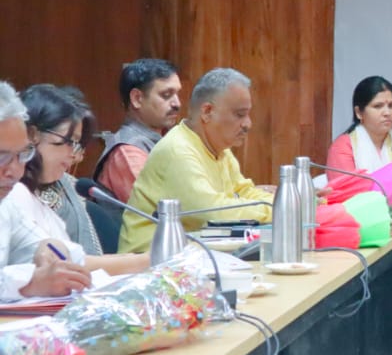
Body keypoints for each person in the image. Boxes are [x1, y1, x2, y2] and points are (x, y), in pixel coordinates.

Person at [120, 68, 273, 253]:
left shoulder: (220, 149)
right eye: (240, 115)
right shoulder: (178, 150)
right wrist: (278, 210)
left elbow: (245, 192)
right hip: (151, 262)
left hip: (194, 256)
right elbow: (212, 213)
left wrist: (283, 204)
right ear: (207, 111)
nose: (248, 124)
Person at [8, 85, 148, 276]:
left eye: (77, 145)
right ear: (32, 135)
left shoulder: (52, 189)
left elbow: (65, 255)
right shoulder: (13, 192)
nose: (74, 155)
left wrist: (145, 259)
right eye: (67, 142)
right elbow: (67, 264)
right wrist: (148, 260)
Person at [0, 81, 93, 299]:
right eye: (2, 157)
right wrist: (29, 284)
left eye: (22, 155)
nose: (15, 171)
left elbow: (40, 244)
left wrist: (49, 247)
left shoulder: (5, 202)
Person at [93, 59, 181, 202]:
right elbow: (156, 208)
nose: (177, 103)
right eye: (166, 95)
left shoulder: (164, 140)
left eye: (177, 94)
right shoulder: (127, 153)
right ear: (137, 99)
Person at [328, 76, 392, 189]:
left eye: (391, 105)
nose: (387, 112)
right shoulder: (343, 147)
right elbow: (347, 192)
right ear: (359, 112)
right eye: (378, 106)